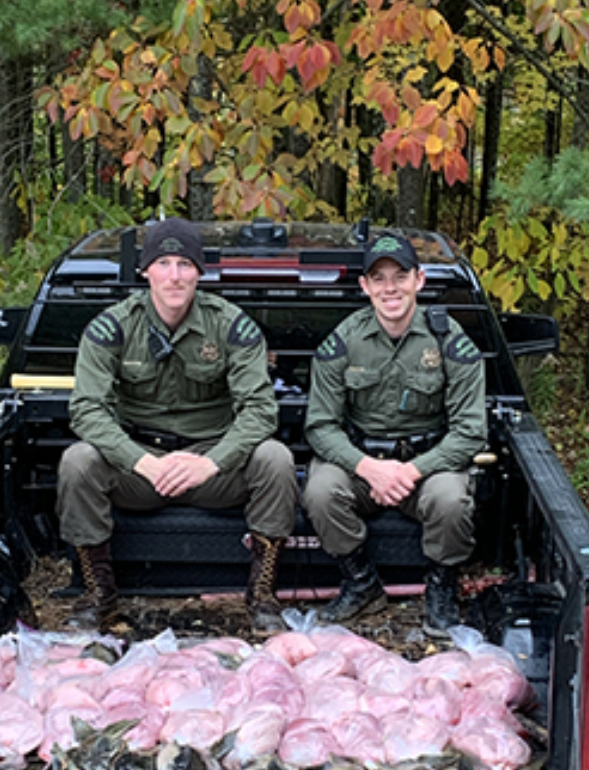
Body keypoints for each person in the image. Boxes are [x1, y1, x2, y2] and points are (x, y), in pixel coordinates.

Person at [57, 217, 297, 633]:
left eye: (185, 264)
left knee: (275, 458)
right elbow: (87, 410)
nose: (174, 275)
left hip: (210, 464)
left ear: (199, 272)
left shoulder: (231, 325)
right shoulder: (112, 326)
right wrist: (141, 461)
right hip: (140, 467)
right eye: (163, 263)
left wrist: (212, 462)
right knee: (78, 461)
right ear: (145, 270)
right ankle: (99, 594)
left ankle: (261, 596)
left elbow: (260, 409)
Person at [302, 230, 487, 637]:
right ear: (365, 286)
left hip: (427, 462)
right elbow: (320, 426)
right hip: (362, 463)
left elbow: (471, 431)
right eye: (379, 278)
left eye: (400, 276)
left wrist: (411, 471)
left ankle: (442, 587)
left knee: (452, 498)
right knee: (320, 489)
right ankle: (361, 583)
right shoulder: (343, 341)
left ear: (418, 280)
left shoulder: (449, 340)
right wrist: (369, 468)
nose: (391, 288)